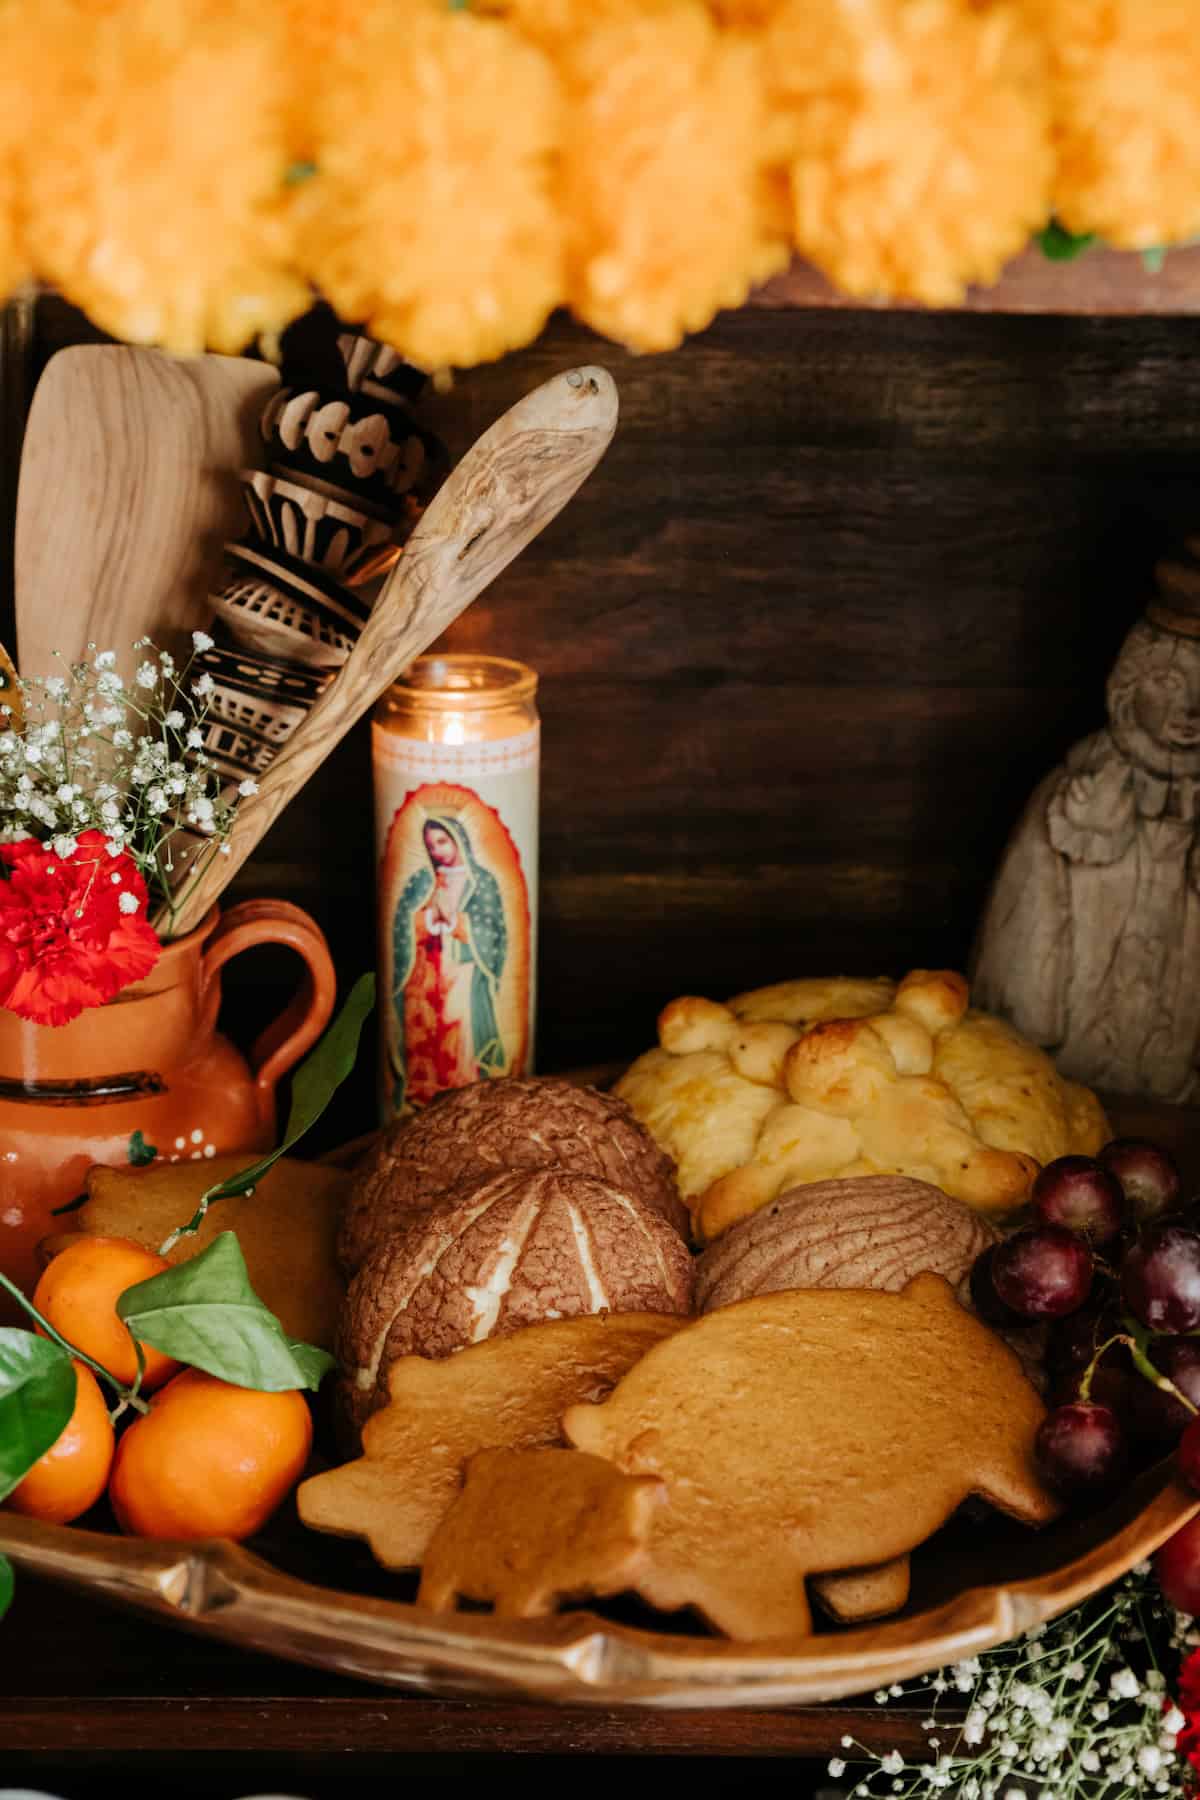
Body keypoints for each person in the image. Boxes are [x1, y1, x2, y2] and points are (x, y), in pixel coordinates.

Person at [972, 563, 1200, 1103]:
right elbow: (1025, 935)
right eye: (1169, 683)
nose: (1192, 710)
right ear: (1129, 687)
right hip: (1068, 1082)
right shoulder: (1079, 797)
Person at [388, 811, 507, 1111]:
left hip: (462, 970)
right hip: (425, 971)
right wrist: (427, 919)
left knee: (458, 1032)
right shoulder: (421, 880)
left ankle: (466, 1102)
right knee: (423, 1034)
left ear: (458, 840)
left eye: (442, 841)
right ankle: (422, 1098)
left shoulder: (481, 882)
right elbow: (402, 922)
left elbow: (493, 930)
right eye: (431, 845)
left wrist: (456, 923)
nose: (437, 850)